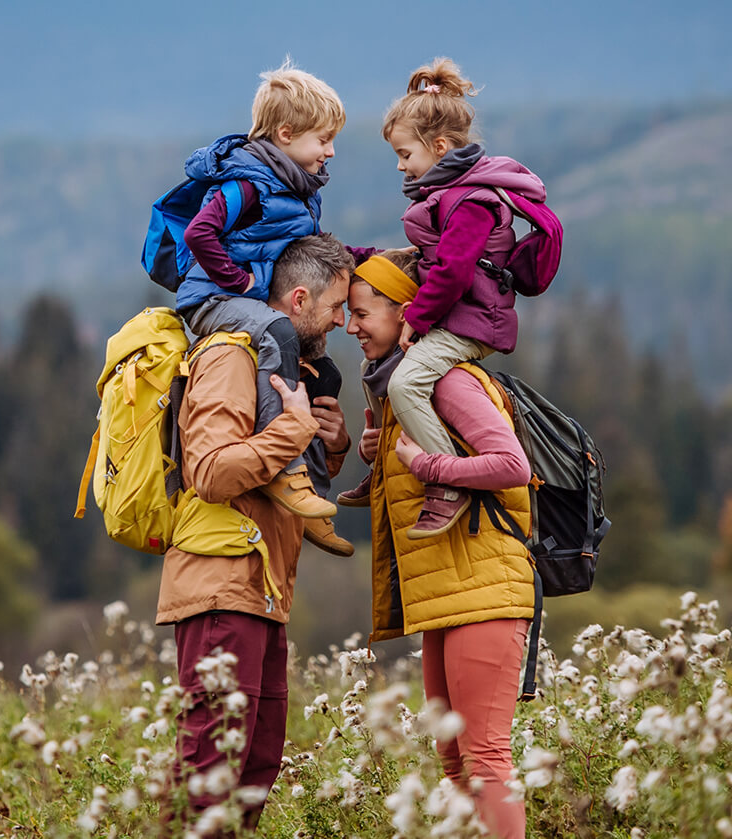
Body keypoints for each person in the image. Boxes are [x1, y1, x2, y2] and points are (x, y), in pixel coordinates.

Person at [158, 233, 353, 833]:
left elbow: (272, 475)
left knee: (256, 766)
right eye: (336, 308)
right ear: (298, 299)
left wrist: (331, 444)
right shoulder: (231, 356)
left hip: (262, 587)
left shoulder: (291, 368)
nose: (343, 322)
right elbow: (212, 472)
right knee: (210, 767)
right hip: (222, 581)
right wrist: (292, 433)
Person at [345, 252, 535, 839]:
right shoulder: (402, 393)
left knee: (484, 761)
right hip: (446, 600)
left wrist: (424, 461)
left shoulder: (447, 381)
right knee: (455, 765)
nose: (351, 328)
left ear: (406, 313)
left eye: (361, 314)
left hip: (484, 592)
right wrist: (380, 458)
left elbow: (511, 465)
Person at [345, 57, 549, 540]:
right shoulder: (447, 193)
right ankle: (381, 468)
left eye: (405, 154)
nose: (400, 165)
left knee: (407, 382)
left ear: (438, 147)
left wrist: (416, 316)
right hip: (457, 316)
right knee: (376, 370)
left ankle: (445, 481)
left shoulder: (472, 201)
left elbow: (455, 272)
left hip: (474, 323)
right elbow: (426, 257)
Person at [177, 58, 365, 555]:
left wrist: (370, 260)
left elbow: (312, 247)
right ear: (286, 133)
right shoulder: (247, 182)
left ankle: (314, 498)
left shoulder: (300, 190)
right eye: (323, 139)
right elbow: (200, 233)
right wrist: (238, 282)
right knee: (281, 330)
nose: (330, 150)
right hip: (213, 299)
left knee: (323, 373)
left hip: (245, 297)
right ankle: (286, 470)